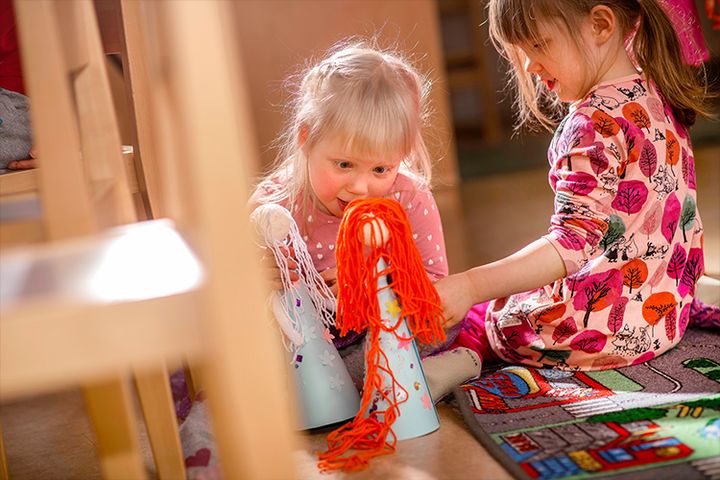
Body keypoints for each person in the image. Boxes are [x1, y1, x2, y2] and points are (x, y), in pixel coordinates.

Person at [435, 0, 717, 373]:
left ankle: (457, 363)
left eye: (538, 44)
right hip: (664, 317)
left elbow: (571, 244)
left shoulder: (592, 123)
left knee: (484, 314)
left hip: (598, 335)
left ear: (601, 25)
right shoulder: (654, 91)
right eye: (523, 50)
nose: (529, 65)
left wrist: (470, 284)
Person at [251, 41, 479, 399]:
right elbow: (239, 294)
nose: (360, 186)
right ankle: (407, 381)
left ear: (400, 157)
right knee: (254, 362)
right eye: (343, 164)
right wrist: (257, 277)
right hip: (306, 343)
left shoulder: (409, 199)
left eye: (380, 169)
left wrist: (372, 287)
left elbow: (434, 291)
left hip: (380, 333)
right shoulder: (275, 206)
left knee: (441, 325)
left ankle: (367, 383)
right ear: (306, 139)